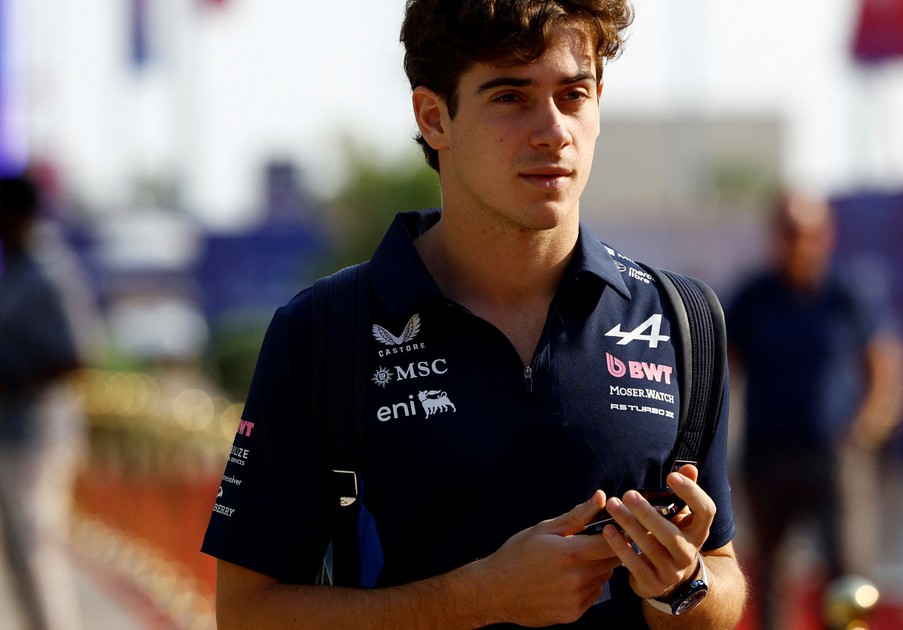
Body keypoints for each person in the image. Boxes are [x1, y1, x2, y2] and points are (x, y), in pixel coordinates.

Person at [201, 1, 746, 628]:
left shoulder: (682, 320)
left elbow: (720, 577)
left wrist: (681, 584)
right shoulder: (323, 332)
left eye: (573, 95)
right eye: (511, 98)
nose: (553, 131)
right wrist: (480, 598)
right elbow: (247, 614)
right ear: (434, 118)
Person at [726, 192, 903, 630]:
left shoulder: (847, 294)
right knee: (769, 573)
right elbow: (722, 365)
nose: (798, 242)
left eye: (807, 232)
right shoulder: (753, 297)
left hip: (833, 455)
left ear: (826, 235)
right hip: (768, 455)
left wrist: (866, 428)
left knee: (847, 571)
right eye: (789, 232)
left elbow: (884, 362)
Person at [0, 173, 94, 630]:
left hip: (39, 434)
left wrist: (15, 382)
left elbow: (78, 355)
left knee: (38, 547)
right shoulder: (17, 268)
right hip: (13, 432)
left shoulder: (47, 273)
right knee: (19, 553)